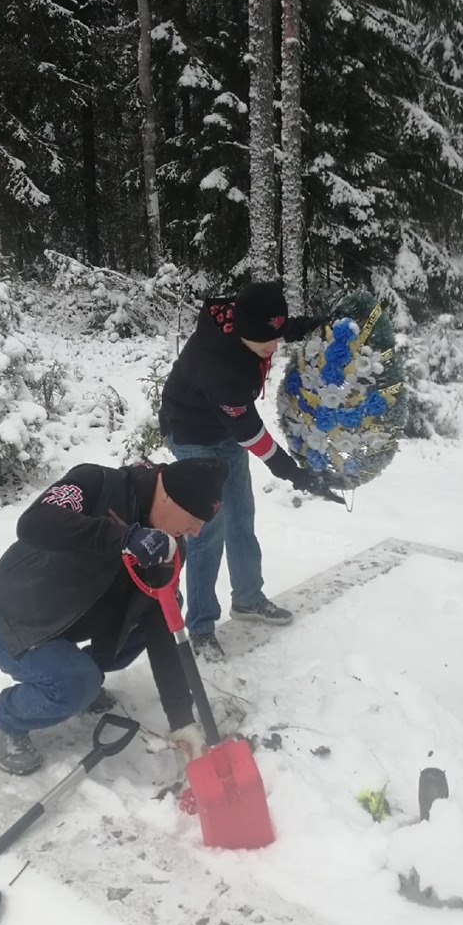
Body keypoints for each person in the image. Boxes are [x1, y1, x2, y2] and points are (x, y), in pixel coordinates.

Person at [0, 456, 229, 775]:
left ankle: (78, 681)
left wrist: (181, 721)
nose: (196, 530)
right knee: (75, 683)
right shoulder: (97, 484)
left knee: (165, 603)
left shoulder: (169, 545)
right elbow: (34, 523)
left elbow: (164, 623)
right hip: (10, 619)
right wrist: (124, 538)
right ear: (166, 494)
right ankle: (5, 718)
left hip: (67, 621)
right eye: (193, 517)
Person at [159, 280, 340, 662]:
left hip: (225, 430)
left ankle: (248, 599)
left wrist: (320, 325)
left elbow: (276, 329)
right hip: (193, 433)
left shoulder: (250, 324)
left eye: (273, 337)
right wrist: (290, 470)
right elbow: (249, 433)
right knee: (210, 529)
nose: (272, 348)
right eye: (264, 342)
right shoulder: (220, 366)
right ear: (243, 333)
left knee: (242, 516)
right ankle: (202, 628)